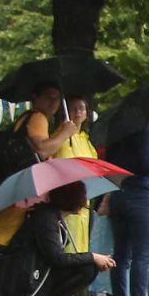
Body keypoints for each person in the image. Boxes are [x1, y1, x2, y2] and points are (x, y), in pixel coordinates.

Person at [0, 181, 116, 296]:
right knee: (88, 266)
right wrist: (92, 257)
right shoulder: (46, 219)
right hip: (22, 284)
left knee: (88, 267)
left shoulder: (53, 216)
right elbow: (57, 258)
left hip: (32, 274)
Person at [104, 122, 149, 296]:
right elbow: (148, 164)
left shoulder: (115, 132)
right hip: (140, 196)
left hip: (118, 195)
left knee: (121, 253)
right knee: (142, 253)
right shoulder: (144, 130)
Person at [53, 96, 98, 252]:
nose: (78, 111)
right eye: (74, 108)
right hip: (66, 203)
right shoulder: (60, 136)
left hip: (84, 204)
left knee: (81, 250)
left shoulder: (87, 141)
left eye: (82, 108)